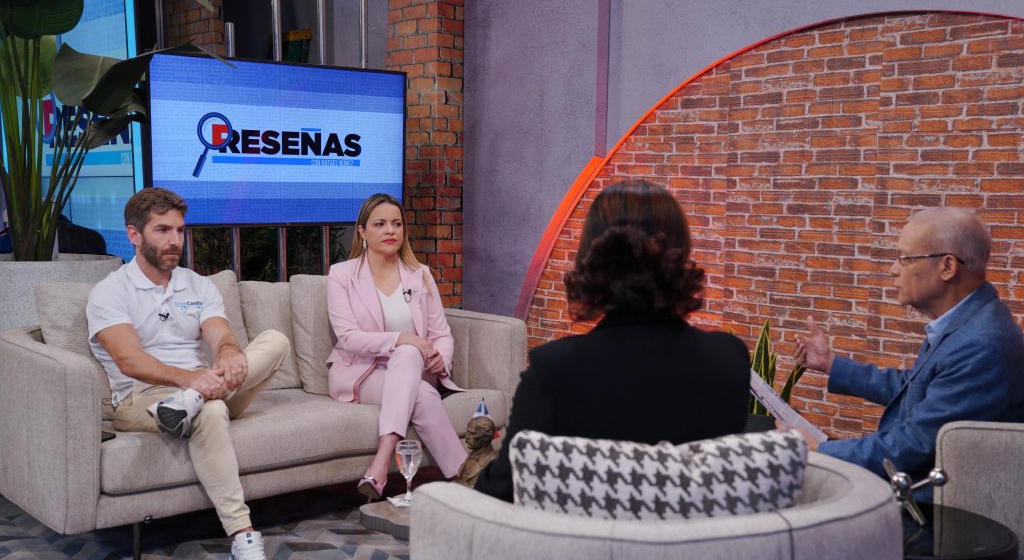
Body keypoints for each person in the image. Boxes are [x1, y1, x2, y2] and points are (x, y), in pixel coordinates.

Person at [474, 179, 751, 502]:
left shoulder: (555, 370)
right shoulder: (729, 360)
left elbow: (498, 493)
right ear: (681, 255)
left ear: (591, 258)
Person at [87, 187, 290, 560]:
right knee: (211, 410)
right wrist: (189, 381)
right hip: (140, 398)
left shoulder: (197, 285)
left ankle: (195, 400)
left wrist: (229, 353)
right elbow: (129, 360)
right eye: (162, 230)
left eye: (179, 230)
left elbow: (221, 335)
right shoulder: (110, 292)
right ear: (134, 235)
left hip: (203, 386)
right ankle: (243, 538)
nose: (175, 240)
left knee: (276, 341)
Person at [794, 207, 1024, 482]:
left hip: (931, 504)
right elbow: (915, 387)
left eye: (904, 258)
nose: (893, 270)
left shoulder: (980, 344)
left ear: (947, 267)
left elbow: (914, 446)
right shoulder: (965, 322)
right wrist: (831, 364)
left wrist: (819, 450)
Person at [326, 193, 468, 500]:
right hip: (362, 373)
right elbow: (348, 337)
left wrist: (441, 359)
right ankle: (464, 477)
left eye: (397, 224)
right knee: (422, 392)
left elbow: (441, 334)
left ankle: (379, 464)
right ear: (362, 231)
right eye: (380, 224)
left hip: (414, 368)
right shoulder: (342, 275)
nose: (390, 231)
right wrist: (402, 339)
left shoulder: (420, 275)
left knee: (409, 359)